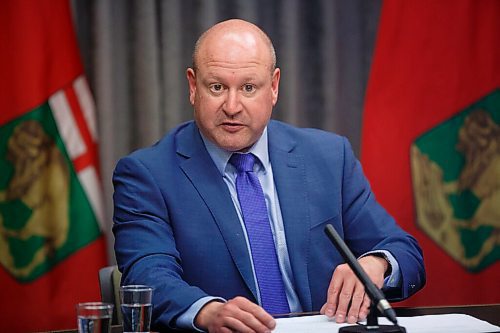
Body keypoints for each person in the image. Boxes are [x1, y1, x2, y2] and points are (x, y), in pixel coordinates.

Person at [113, 19, 425, 333]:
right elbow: (147, 274)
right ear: (193, 87)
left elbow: (403, 251)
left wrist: (377, 264)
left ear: (273, 87)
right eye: (217, 87)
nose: (232, 106)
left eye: (248, 88)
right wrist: (207, 311)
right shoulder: (147, 174)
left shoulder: (329, 157)